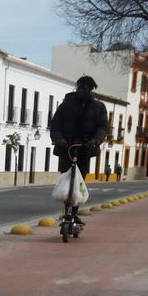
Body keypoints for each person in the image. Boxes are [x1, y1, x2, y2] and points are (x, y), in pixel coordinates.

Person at [50, 75, 107, 224]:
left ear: (91, 90)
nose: (81, 90)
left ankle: (73, 213)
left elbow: (102, 127)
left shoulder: (99, 107)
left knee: (79, 182)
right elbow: (55, 124)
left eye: (85, 88)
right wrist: (58, 138)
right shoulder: (66, 104)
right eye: (79, 87)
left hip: (85, 149)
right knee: (66, 182)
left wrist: (97, 140)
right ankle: (68, 210)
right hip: (66, 149)